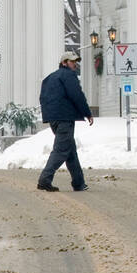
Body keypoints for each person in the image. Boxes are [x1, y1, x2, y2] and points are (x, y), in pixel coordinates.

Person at [37, 53, 94, 192]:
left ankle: (78, 183)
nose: (75, 64)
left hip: (54, 118)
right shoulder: (68, 75)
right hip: (64, 118)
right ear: (64, 62)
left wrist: (50, 114)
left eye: (76, 62)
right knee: (62, 150)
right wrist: (87, 113)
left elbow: (42, 97)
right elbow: (77, 95)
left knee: (70, 150)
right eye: (72, 62)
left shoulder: (49, 78)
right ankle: (44, 180)